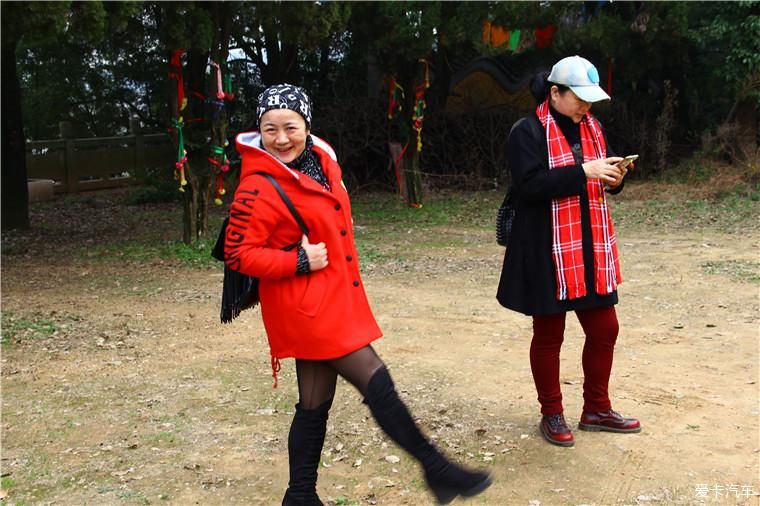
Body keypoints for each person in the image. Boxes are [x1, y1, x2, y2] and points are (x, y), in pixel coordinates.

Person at [225, 84, 492, 505]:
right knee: (376, 379)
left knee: (314, 403)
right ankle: (437, 469)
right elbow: (238, 253)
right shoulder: (256, 187)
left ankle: (299, 496)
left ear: (306, 125)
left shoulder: (319, 160)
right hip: (306, 307)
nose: (280, 139)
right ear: (258, 130)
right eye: (269, 128)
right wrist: (296, 261)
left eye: (290, 127)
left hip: (331, 296)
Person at [496, 56, 642, 447]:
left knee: (605, 328)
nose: (586, 107)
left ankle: (596, 408)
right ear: (555, 92)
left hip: (589, 245)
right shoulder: (526, 131)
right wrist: (585, 172)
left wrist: (613, 178)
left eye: (590, 100)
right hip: (545, 246)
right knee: (549, 333)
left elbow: (600, 178)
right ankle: (551, 412)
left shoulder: (592, 127)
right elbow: (530, 186)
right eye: (578, 98)